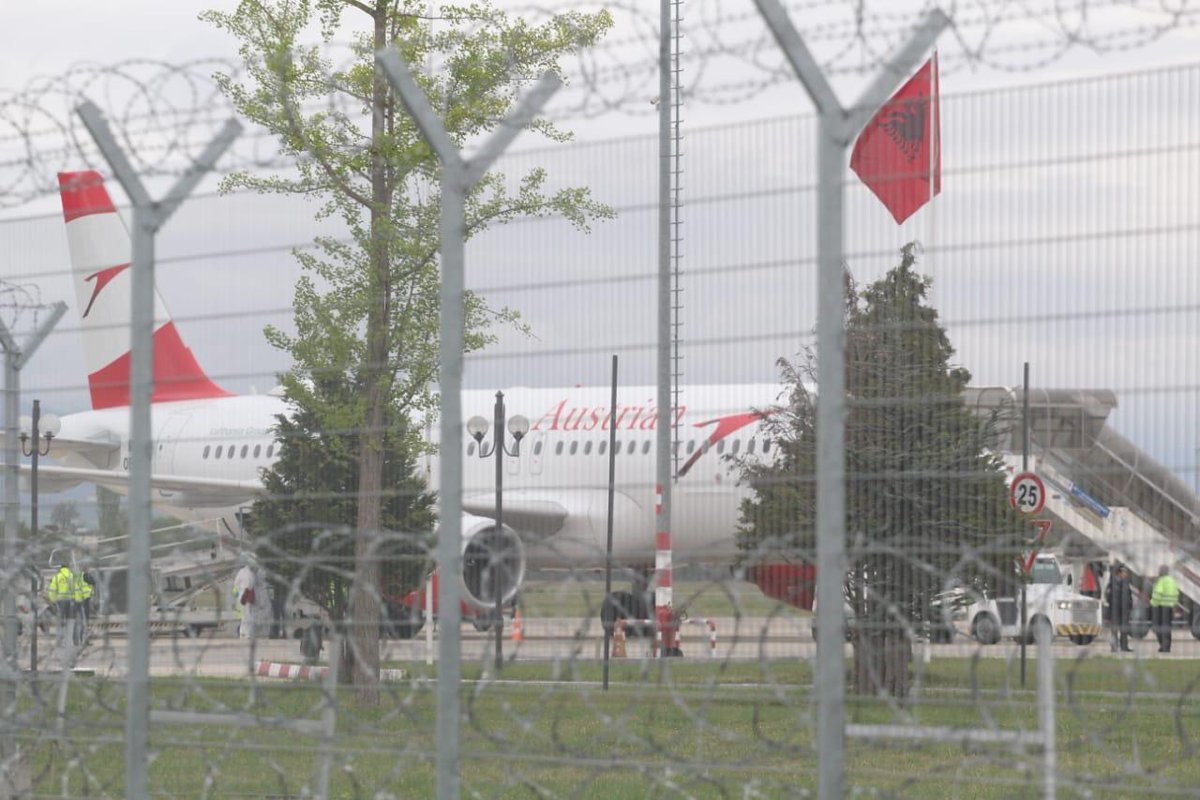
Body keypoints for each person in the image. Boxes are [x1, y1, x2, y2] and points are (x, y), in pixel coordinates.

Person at [45, 559, 76, 647]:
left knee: (60, 621)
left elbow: (52, 590)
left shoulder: (57, 577)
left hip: (60, 601)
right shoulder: (72, 576)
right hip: (70, 601)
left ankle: (59, 641)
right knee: (70, 621)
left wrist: (52, 600)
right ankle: (69, 641)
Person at [1150, 564, 1180, 653]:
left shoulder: (1161, 581)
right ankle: (1167, 646)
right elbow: (1176, 593)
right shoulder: (1172, 580)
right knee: (1167, 627)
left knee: (1158, 627)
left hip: (1161, 607)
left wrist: (1153, 603)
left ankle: (1163, 645)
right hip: (1170, 607)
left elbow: (1158, 593)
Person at [1105, 564, 1133, 652]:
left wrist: (1129, 605)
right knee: (1115, 629)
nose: (1125, 574)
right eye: (1124, 572)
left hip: (1124, 609)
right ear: (1119, 573)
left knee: (1124, 629)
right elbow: (1108, 596)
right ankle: (1114, 647)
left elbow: (1129, 596)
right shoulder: (1113, 583)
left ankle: (1124, 646)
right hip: (1115, 609)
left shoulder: (1125, 583)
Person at [232, 558, 260, 639]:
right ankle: (244, 633)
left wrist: (236, 596)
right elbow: (236, 585)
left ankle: (245, 633)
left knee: (247, 615)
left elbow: (236, 584)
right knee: (245, 615)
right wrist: (237, 596)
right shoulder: (244, 572)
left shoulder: (251, 573)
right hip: (244, 595)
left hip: (247, 595)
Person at [72, 567, 94, 645]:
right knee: (84, 621)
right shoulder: (85, 576)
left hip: (76, 601)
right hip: (84, 601)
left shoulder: (76, 577)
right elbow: (93, 581)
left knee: (77, 622)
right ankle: (84, 640)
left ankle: (76, 640)